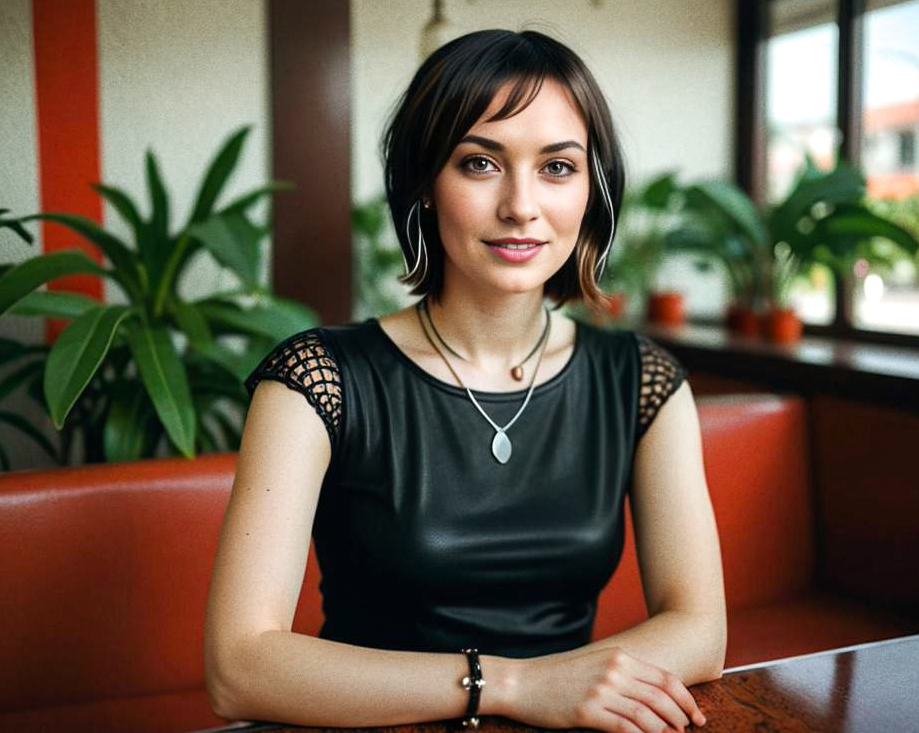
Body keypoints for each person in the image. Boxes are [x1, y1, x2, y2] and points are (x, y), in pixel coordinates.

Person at [205, 28, 725, 733]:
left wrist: (560, 690)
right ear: (423, 182)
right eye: (479, 163)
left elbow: (699, 628)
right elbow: (238, 667)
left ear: (591, 190)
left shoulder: (641, 379)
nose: (520, 205)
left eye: (557, 167)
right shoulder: (317, 378)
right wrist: (512, 684)